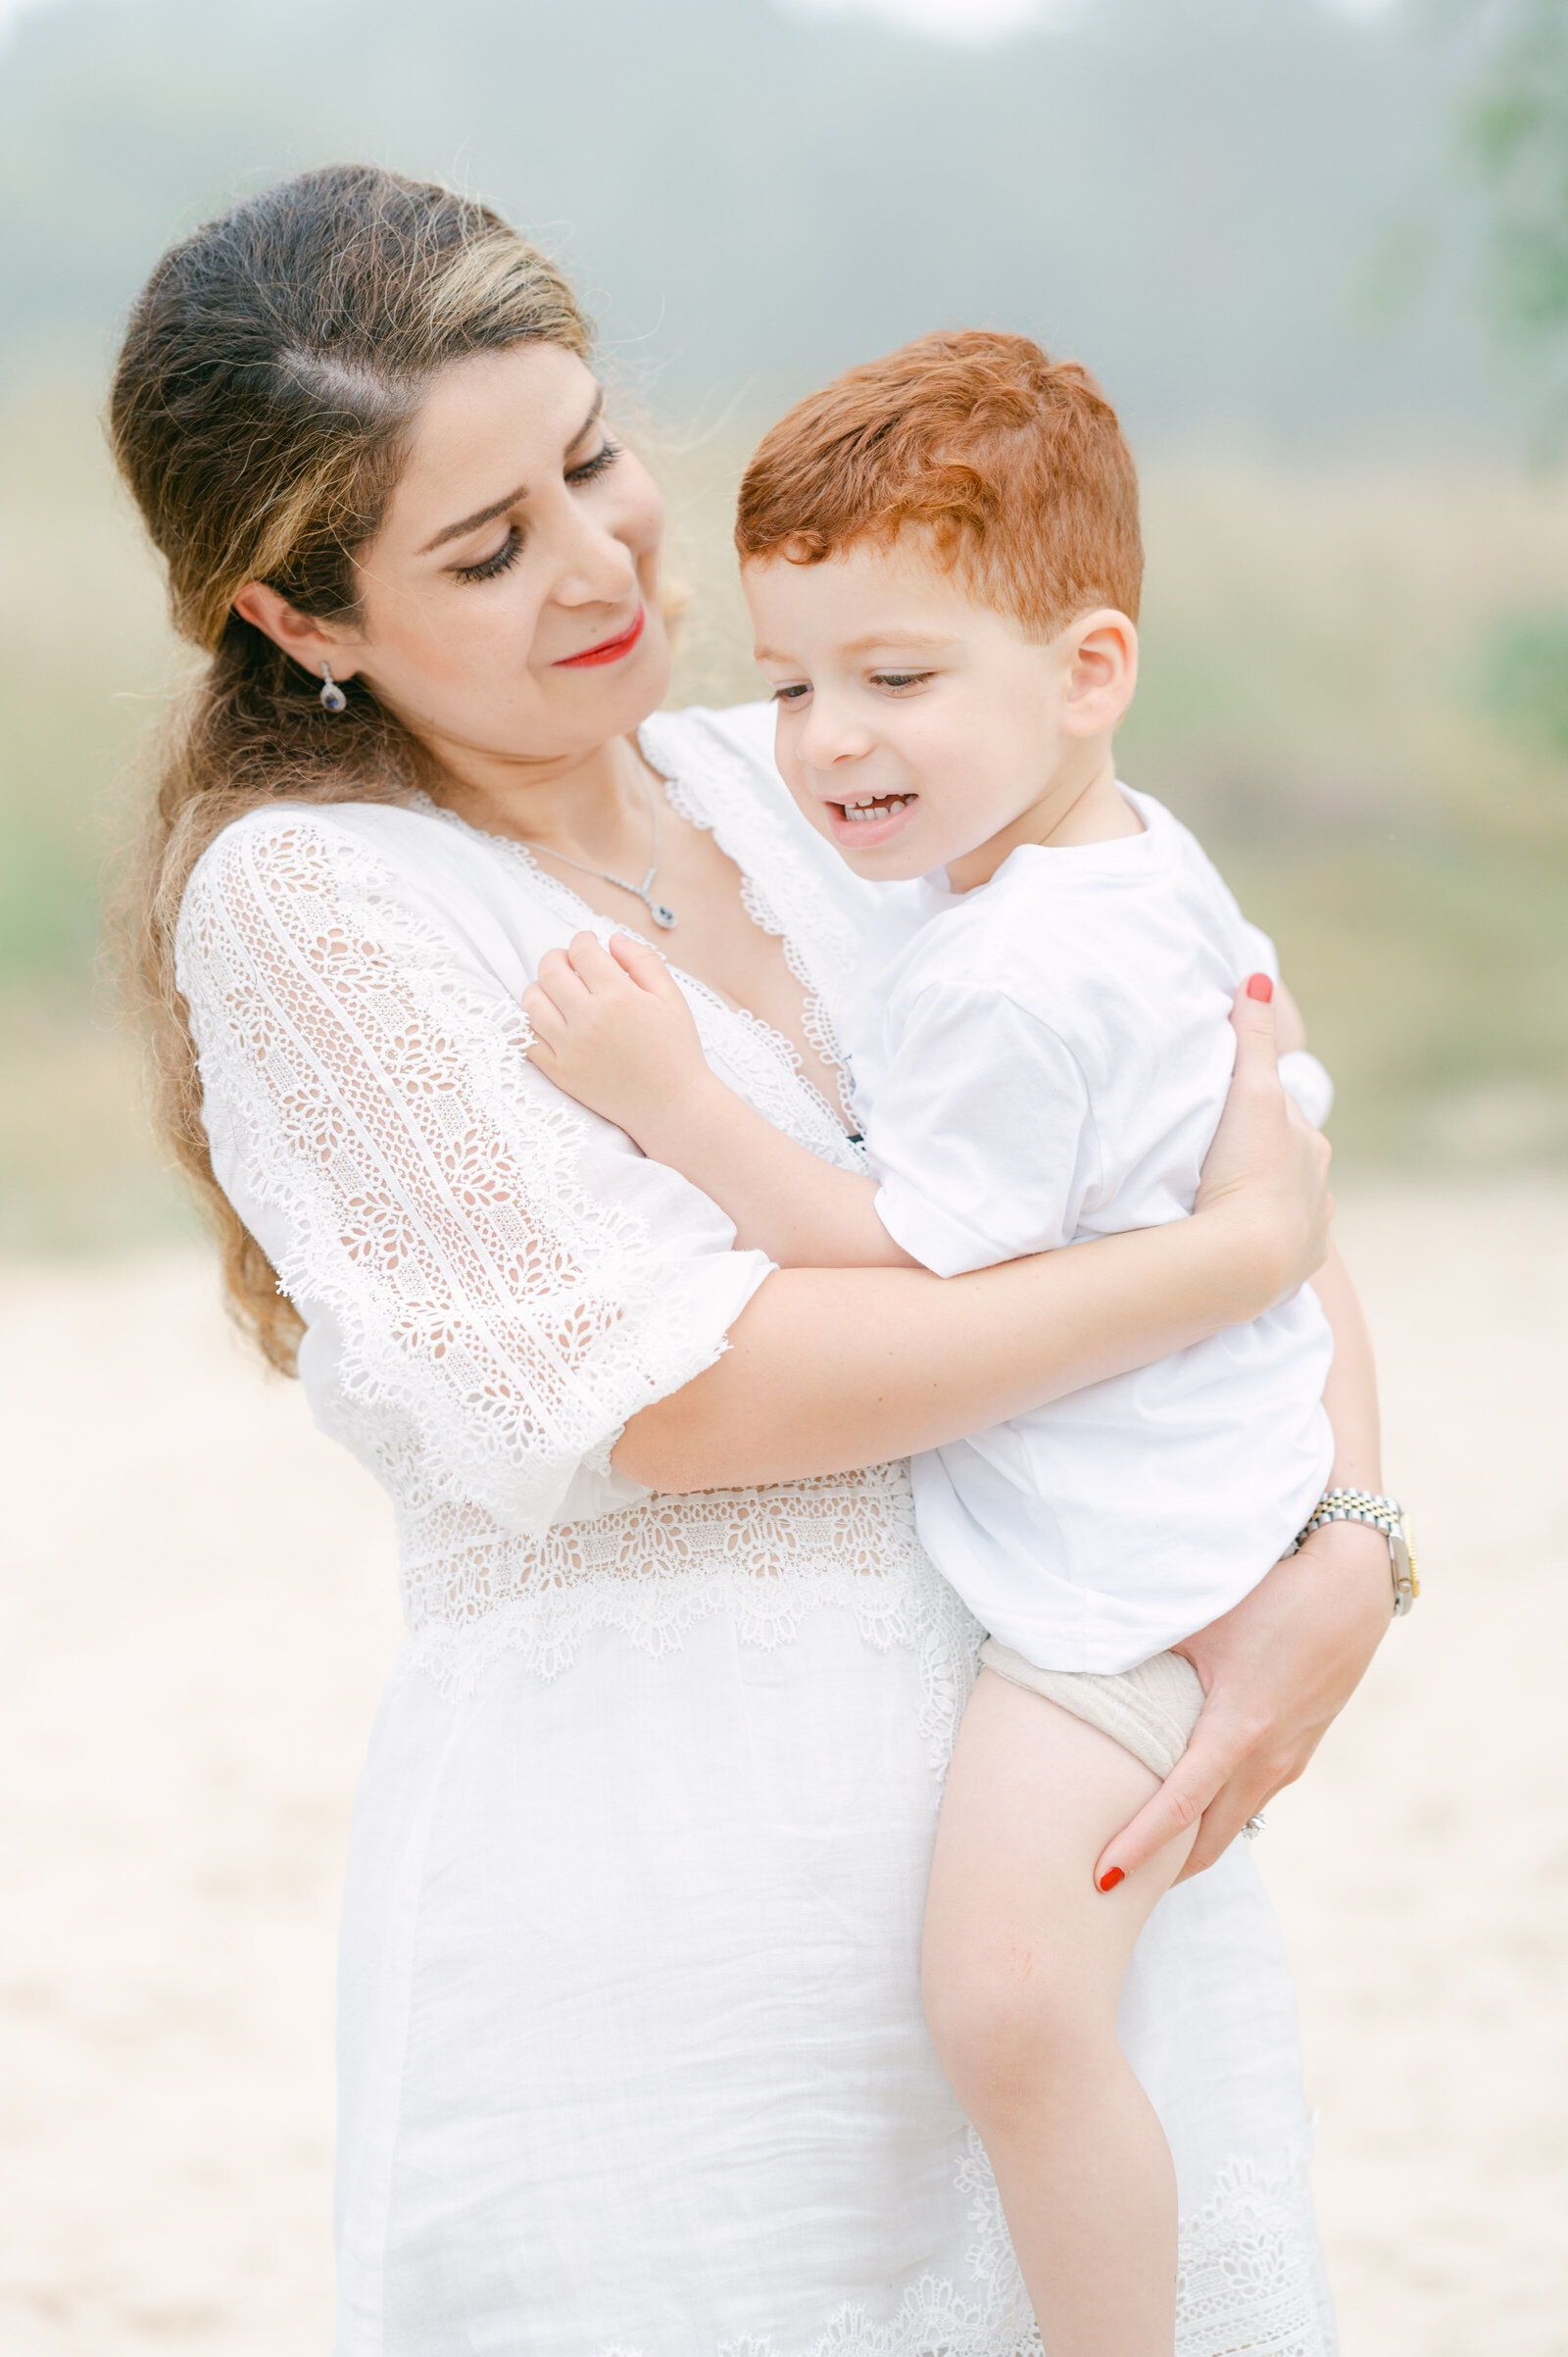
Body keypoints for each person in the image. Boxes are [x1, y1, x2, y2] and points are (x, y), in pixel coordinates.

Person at [112, 164, 1390, 2356]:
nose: (603, 559)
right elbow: (682, 1394)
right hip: (667, 1901)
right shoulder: (321, 905)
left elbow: (1214, 1111)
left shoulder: (828, 756)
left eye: (592, 458)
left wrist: (1342, 1549)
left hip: (1067, 1805)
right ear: (301, 620)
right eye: (486, 546)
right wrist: (1208, 1271)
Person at [520, 329, 1411, 2357]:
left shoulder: (1018, 967)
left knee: (1008, 2008)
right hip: (1195, 1487)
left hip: (1118, 1579)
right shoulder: (1109, 851)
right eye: (791, 681)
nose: (828, 741)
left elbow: (908, 1267)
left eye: (894, 679)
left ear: (1086, 669)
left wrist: (668, 1096)